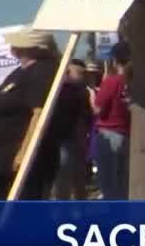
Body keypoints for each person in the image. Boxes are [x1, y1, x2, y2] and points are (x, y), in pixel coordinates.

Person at [0, 29, 69, 200]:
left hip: (18, 165)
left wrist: (23, 154)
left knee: (22, 218)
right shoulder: (22, 71)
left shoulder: (42, 71)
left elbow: (39, 114)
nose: (12, 47)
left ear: (31, 48)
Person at [93, 42, 132, 200]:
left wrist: (91, 96)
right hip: (125, 134)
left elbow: (98, 110)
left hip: (108, 134)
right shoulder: (132, 82)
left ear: (115, 60)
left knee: (108, 182)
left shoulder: (111, 81)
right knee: (122, 181)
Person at [54, 59, 93, 200]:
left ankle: (80, 206)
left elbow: (88, 114)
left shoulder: (82, 91)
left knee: (79, 176)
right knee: (63, 177)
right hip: (63, 139)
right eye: (79, 73)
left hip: (77, 137)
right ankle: (63, 209)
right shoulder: (59, 91)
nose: (82, 76)